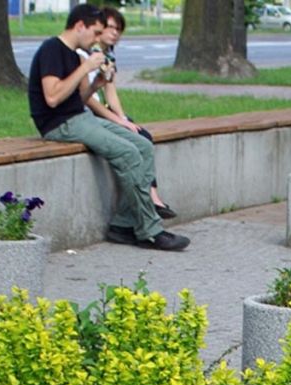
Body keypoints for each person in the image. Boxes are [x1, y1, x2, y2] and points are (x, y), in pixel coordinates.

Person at [28, 3, 189, 251]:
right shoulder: (52, 49)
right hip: (59, 125)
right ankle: (150, 230)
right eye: (95, 32)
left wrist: (97, 83)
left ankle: (122, 225)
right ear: (80, 26)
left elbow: (78, 100)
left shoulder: (73, 55)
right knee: (128, 154)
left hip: (79, 117)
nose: (97, 39)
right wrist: (85, 68)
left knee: (143, 146)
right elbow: (52, 98)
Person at [81, 7, 176, 220]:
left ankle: (152, 198)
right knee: (137, 141)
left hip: (100, 113)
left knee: (141, 134)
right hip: (87, 115)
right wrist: (118, 121)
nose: (115, 33)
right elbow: (87, 98)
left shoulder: (108, 56)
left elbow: (111, 92)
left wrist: (123, 119)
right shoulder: (87, 54)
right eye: (111, 27)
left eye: (119, 29)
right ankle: (151, 200)